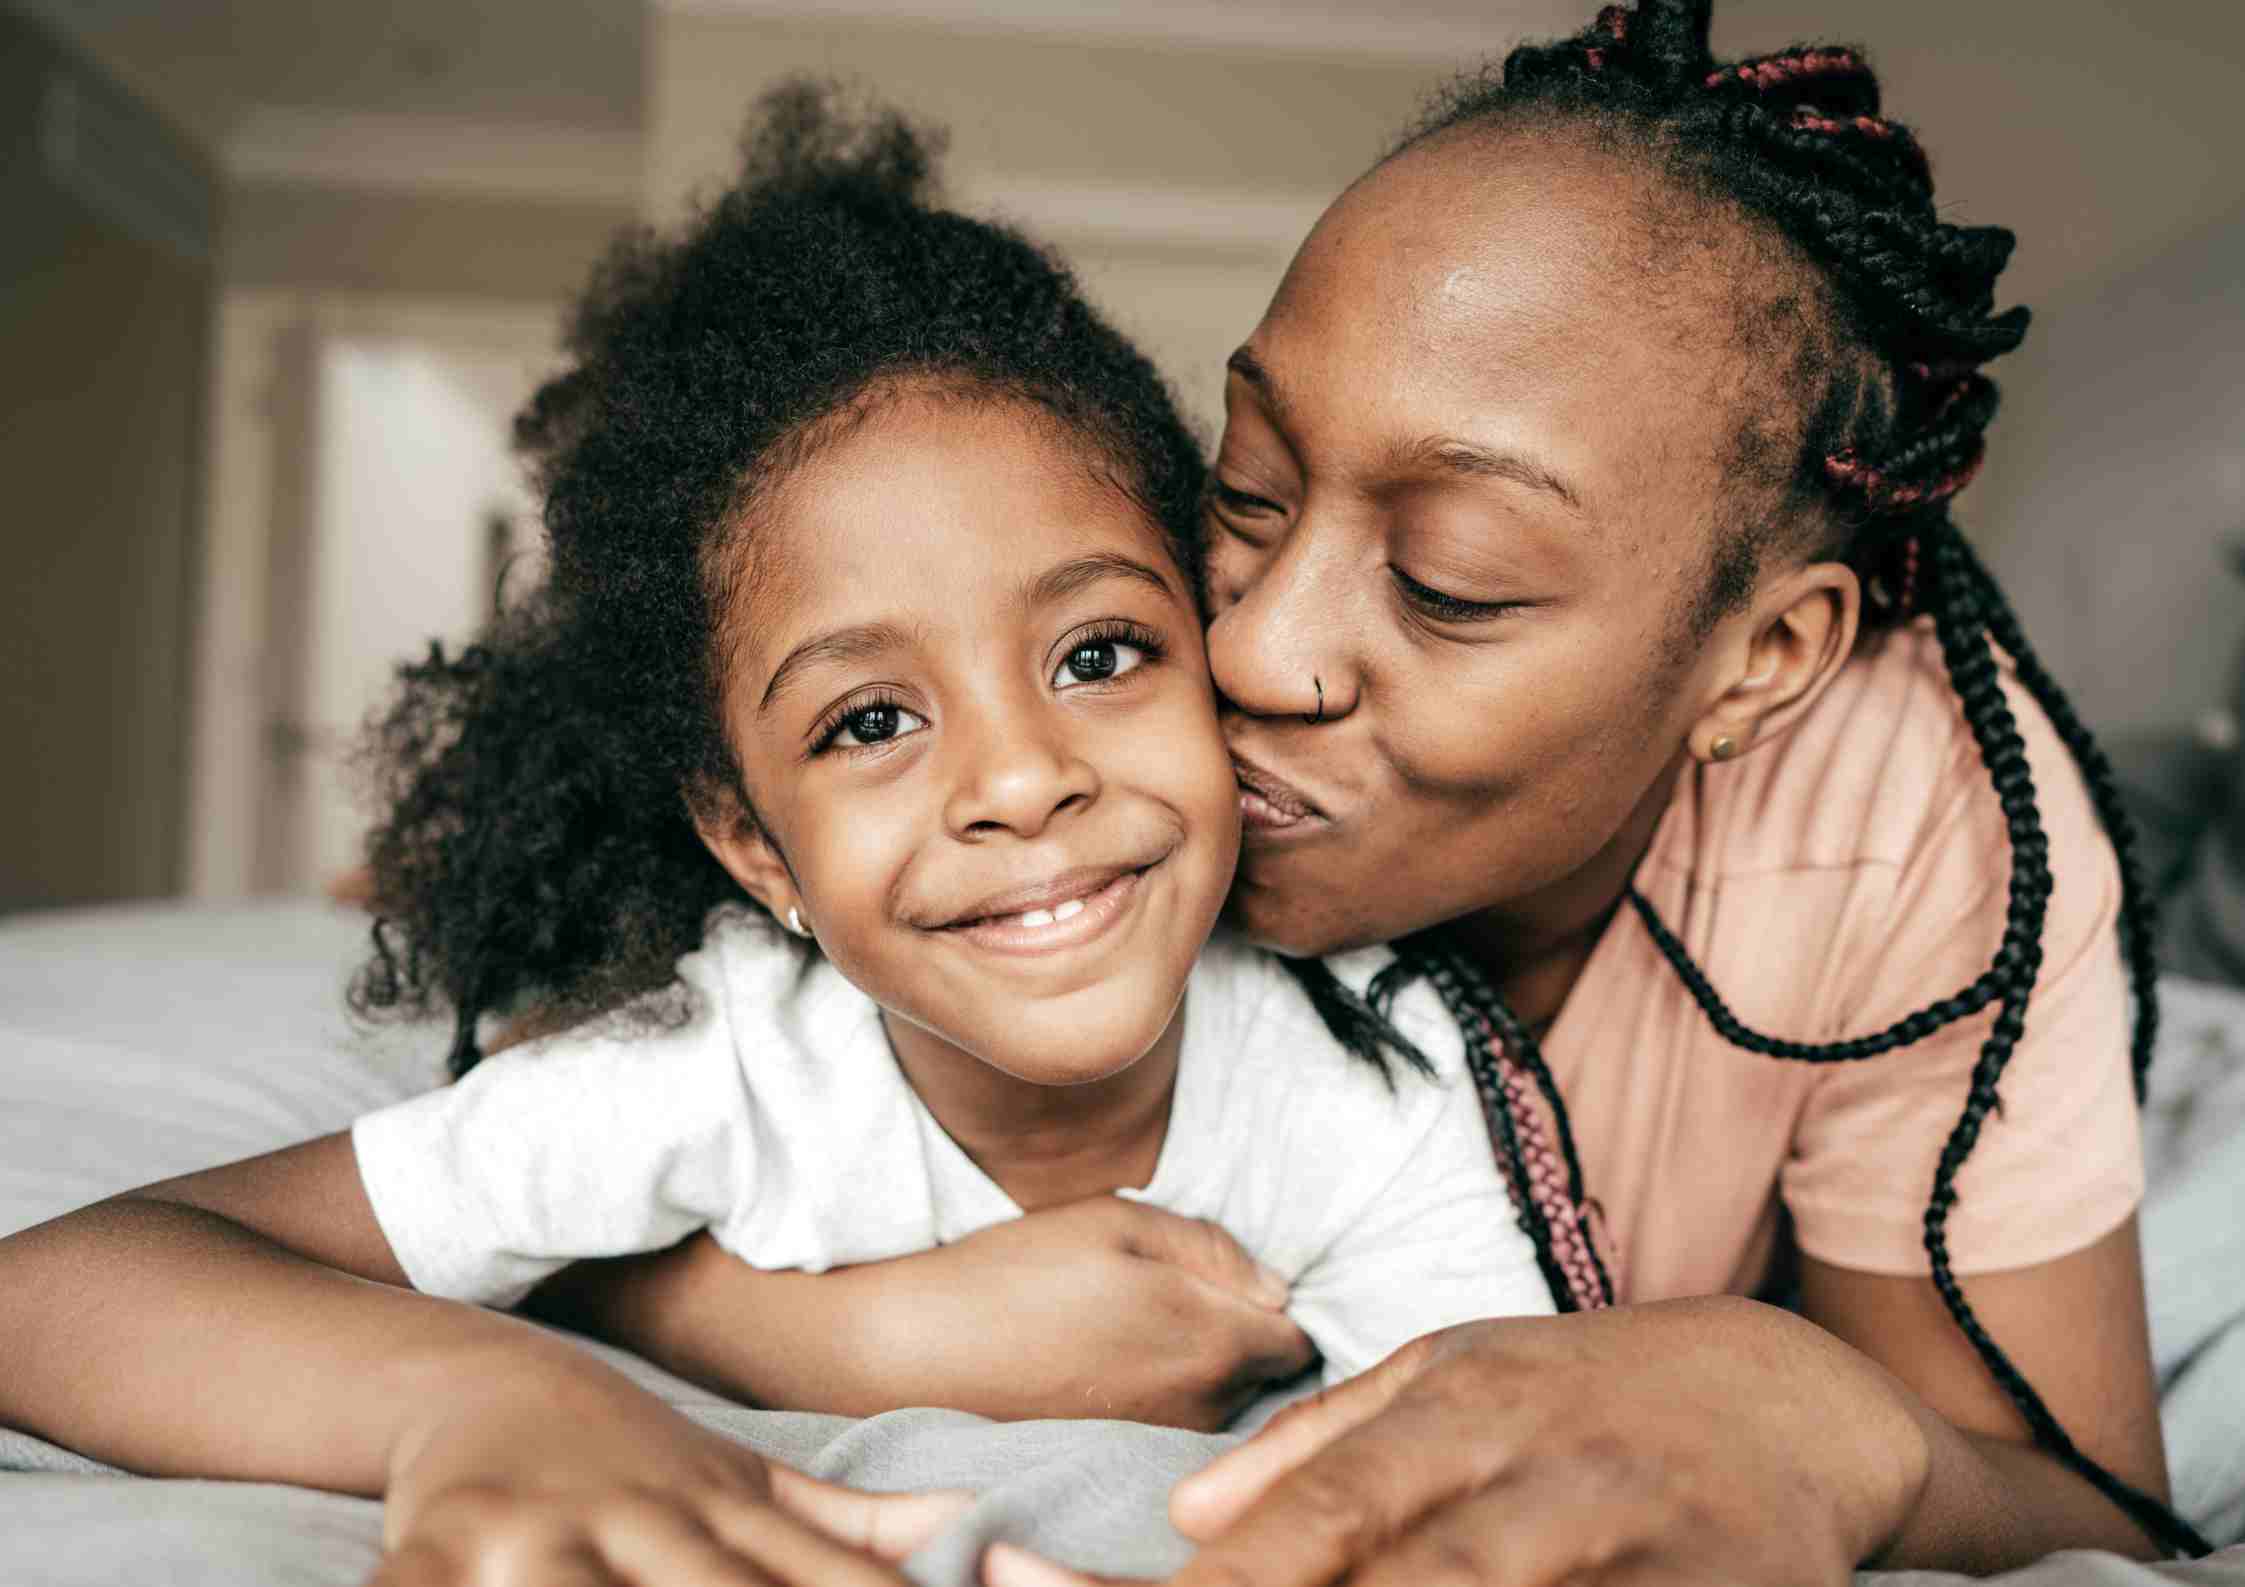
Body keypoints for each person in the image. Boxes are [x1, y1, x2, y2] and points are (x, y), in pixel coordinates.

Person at [553, 3, 2214, 1581]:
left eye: (1451, 580)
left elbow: (2082, 1506)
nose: (1259, 650)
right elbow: (554, 1129)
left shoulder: (1910, 822)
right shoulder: (1067, 730)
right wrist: (815, 1330)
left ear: (1762, 661)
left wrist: (1813, 1409)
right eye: (1251, 489)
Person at [0, 87, 1553, 1587]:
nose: (1019, 782)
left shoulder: (1381, 1074)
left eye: (1097, 653)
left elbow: (1512, 1464)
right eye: (869, 720)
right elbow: (47, 1291)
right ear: (752, 846)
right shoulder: (716, 1065)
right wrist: (486, 1402)